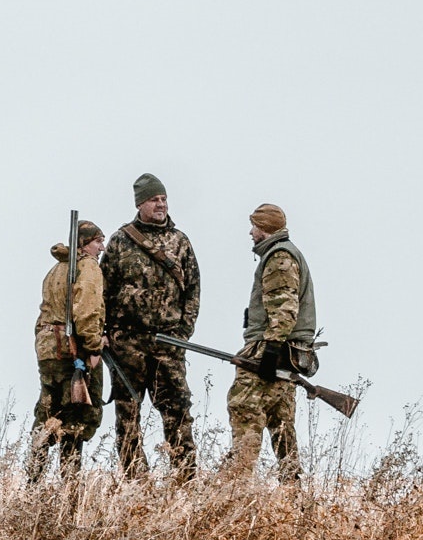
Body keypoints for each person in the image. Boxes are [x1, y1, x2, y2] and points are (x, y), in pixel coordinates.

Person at [100, 173, 201, 479]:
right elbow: (103, 289)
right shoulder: (120, 241)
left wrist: (182, 332)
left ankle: (185, 478)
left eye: (163, 199)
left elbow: (193, 290)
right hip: (127, 343)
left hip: (168, 343)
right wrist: (106, 333)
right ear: (140, 204)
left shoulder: (180, 241)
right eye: (154, 199)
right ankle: (135, 481)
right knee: (127, 413)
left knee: (178, 412)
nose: (161, 204)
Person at [226, 202, 318, 482]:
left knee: (243, 407)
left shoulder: (279, 257)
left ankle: (236, 488)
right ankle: (292, 494)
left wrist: (270, 351)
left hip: (271, 349)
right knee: (281, 424)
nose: (251, 232)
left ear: (264, 229)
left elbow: (284, 309)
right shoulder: (285, 253)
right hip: (286, 352)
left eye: (254, 226)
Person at [30, 219, 105, 481]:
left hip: (49, 351)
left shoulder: (55, 270)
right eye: (98, 241)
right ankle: (69, 489)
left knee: (48, 415)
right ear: (85, 245)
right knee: (76, 419)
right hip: (72, 353)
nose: (102, 247)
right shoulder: (88, 268)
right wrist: (94, 346)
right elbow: (86, 311)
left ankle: (33, 481)